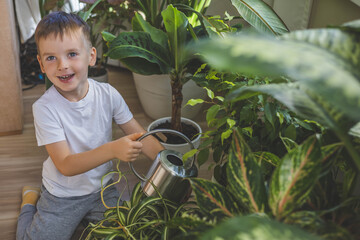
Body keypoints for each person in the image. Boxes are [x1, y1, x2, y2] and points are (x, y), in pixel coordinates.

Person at [16, 11, 163, 240]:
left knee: (130, 233)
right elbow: (65, 164)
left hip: (102, 189)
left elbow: (140, 135)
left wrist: (168, 162)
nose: (62, 65)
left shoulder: (108, 95)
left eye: (72, 54)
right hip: (62, 195)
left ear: (91, 56)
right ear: (41, 64)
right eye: (51, 58)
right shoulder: (45, 108)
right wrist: (113, 150)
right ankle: (29, 202)